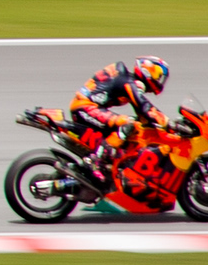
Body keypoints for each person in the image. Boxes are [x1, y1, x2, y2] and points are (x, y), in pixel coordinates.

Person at [63, 57, 171, 186]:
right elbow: (144, 107)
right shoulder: (130, 83)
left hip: (88, 107)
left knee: (135, 125)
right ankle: (96, 162)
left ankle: (112, 163)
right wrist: (168, 123)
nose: (159, 81)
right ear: (148, 71)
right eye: (158, 75)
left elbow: (141, 113)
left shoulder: (128, 80)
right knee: (127, 124)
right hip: (85, 107)